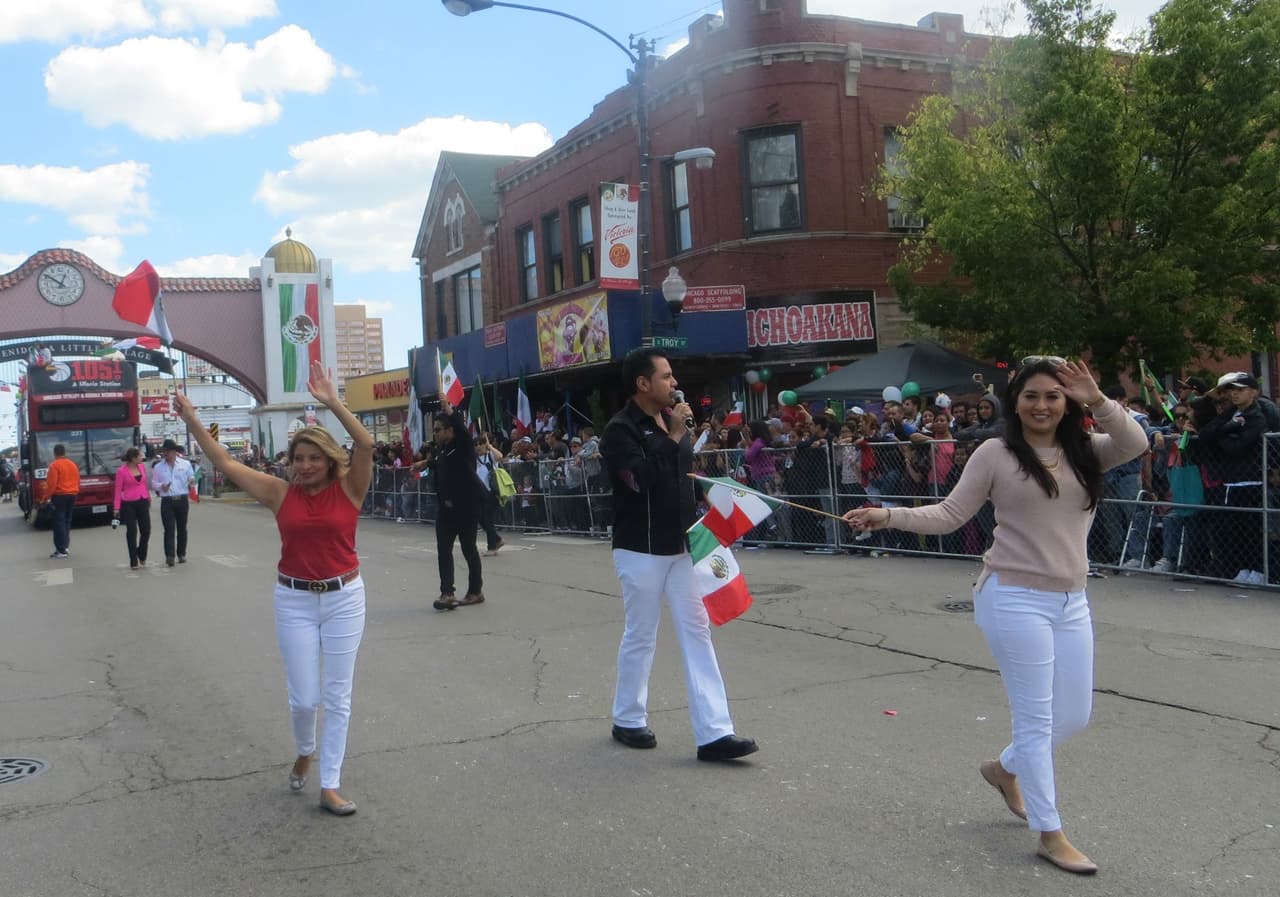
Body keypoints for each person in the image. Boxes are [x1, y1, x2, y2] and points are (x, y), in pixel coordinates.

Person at [843, 358, 1146, 875]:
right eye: (1031, 395)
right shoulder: (996, 453)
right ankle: (1050, 833)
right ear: (1015, 401)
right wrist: (889, 514)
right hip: (1012, 597)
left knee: (1074, 717)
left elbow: (1136, 443)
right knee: (1036, 718)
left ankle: (1003, 769)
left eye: (1053, 395)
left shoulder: (1087, 451)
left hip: (1072, 600)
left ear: (1067, 400)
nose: (1042, 405)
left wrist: (1097, 398)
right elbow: (949, 514)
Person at [173, 362, 374, 817]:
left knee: (338, 694)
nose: (303, 466)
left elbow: (364, 443)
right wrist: (191, 420)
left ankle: (330, 783)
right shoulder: (280, 494)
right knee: (305, 697)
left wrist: (331, 401)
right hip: (295, 599)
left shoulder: (351, 489)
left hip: (344, 598)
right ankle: (305, 749)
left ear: (328, 459)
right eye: (297, 459)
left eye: (312, 458)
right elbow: (223, 462)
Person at [601, 348, 758, 762]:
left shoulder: (671, 425)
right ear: (643, 383)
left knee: (697, 630)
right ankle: (628, 718)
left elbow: (679, 477)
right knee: (642, 634)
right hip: (640, 549)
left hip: (684, 544)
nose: (674, 383)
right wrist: (673, 436)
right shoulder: (620, 431)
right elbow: (639, 480)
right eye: (666, 376)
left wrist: (714, 496)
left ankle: (715, 733)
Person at [413, 390, 485, 609]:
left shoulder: (463, 445)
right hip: (446, 510)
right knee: (444, 550)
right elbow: (442, 464)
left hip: (466, 507)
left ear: (449, 430)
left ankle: (475, 591)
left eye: (437, 430)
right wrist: (425, 463)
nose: (434, 434)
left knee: (468, 549)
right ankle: (447, 593)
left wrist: (448, 409)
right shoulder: (443, 450)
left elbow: (463, 429)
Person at [151, 438, 195, 566]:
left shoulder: (185, 464)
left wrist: (192, 481)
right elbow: (154, 483)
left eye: (168, 451)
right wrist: (161, 486)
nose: (166, 454)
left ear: (175, 452)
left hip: (181, 499)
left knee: (182, 528)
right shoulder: (158, 467)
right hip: (167, 501)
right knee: (169, 529)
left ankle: (181, 554)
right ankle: (170, 556)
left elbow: (191, 476)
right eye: (164, 451)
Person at [112, 447, 151, 570]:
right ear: (133, 458)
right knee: (132, 531)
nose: (142, 458)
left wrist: (148, 498)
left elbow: (144, 484)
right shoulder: (121, 471)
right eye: (140, 456)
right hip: (128, 503)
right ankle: (133, 560)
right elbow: (118, 490)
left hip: (143, 500)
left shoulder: (142, 467)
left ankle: (141, 553)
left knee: (146, 530)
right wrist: (116, 508)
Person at [46, 443, 80, 559]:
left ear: (55, 453)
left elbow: (52, 484)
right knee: (67, 521)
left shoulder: (54, 466)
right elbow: (77, 480)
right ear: (64, 452)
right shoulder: (73, 464)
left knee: (59, 522)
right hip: (72, 494)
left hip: (59, 496)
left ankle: (60, 550)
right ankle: (65, 546)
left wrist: (45, 498)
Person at [474, 434, 506, 556]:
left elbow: (500, 456)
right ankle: (497, 540)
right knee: (481, 519)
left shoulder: (490, 456)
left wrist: (490, 446)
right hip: (480, 494)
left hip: (492, 493)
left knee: (488, 519)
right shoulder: (475, 459)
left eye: (480, 444)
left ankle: (492, 547)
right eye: (476, 445)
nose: (478, 447)